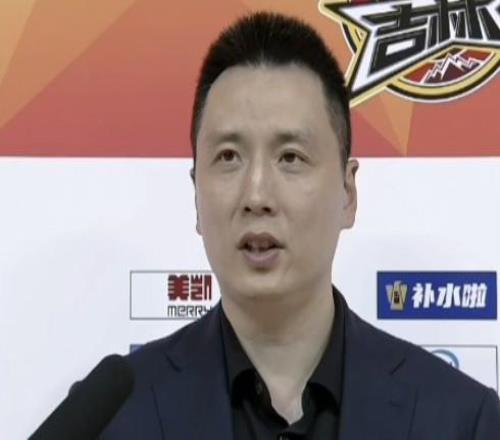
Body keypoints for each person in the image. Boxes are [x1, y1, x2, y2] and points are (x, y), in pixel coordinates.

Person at [101, 12, 500, 439]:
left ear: (347, 193)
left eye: (290, 157)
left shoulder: (461, 420)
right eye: (229, 157)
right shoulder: (115, 417)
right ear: (196, 193)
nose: (256, 195)